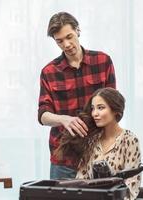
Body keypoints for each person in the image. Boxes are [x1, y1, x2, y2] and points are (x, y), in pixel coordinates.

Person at [38, 11, 116, 179]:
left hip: (100, 154)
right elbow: (43, 115)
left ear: (78, 31)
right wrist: (63, 119)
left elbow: (114, 108)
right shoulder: (49, 72)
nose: (66, 44)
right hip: (64, 159)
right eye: (59, 41)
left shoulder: (103, 62)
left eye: (69, 36)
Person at [74, 87, 141, 200]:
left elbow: (132, 188)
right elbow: (80, 180)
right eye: (93, 108)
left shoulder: (129, 140)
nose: (95, 113)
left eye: (100, 108)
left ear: (115, 110)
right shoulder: (91, 141)